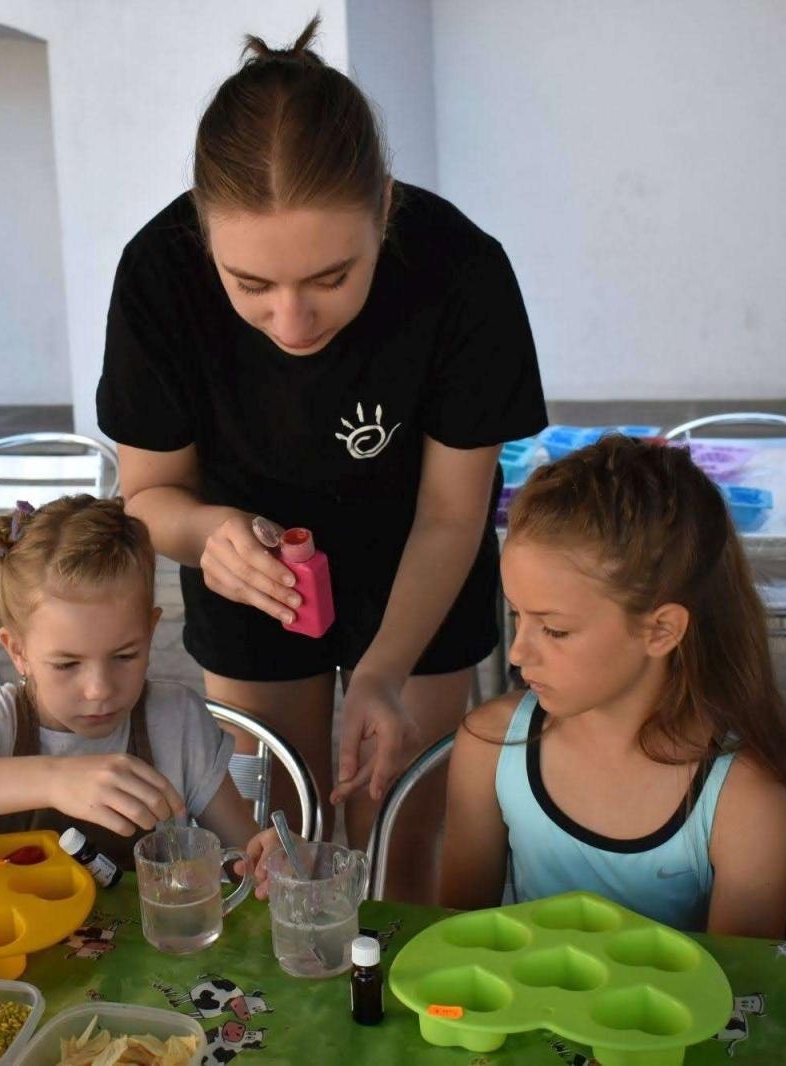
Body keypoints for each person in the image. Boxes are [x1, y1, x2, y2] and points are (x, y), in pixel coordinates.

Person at [97, 17, 546, 900]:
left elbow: (455, 510)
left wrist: (382, 672)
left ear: (383, 207)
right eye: (251, 287)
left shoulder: (461, 271)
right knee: (275, 836)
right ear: (202, 230)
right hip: (252, 572)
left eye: (332, 279)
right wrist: (210, 532)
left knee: (403, 823)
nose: (293, 324)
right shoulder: (156, 275)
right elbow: (148, 497)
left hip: (418, 555)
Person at [439, 436, 786, 937]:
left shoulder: (745, 803)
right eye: (516, 616)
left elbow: (740, 997)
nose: (517, 652)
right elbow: (457, 942)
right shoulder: (490, 746)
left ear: (660, 630)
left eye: (554, 629)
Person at [0, 495, 261, 862]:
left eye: (125, 655)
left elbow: (241, 848)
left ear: (151, 631)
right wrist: (55, 778)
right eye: (67, 665)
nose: (99, 689)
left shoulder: (177, 721)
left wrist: (259, 860)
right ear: (18, 651)